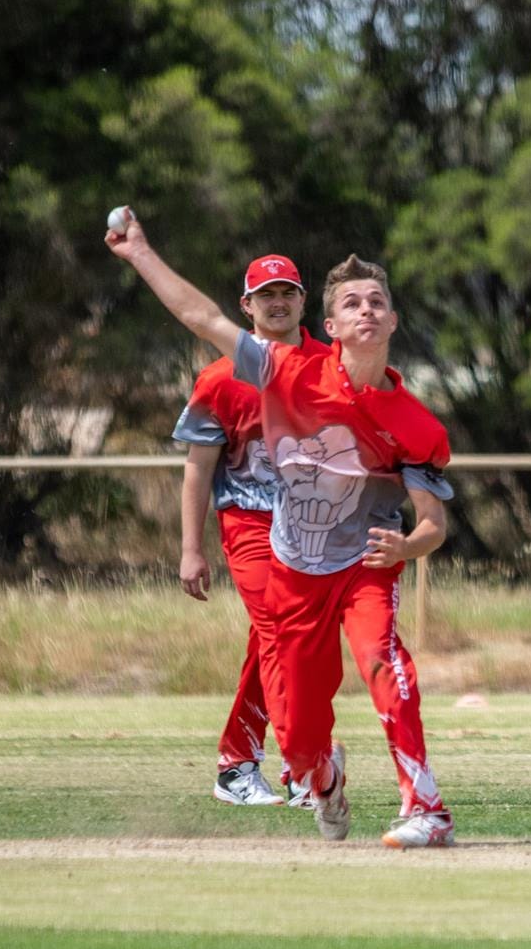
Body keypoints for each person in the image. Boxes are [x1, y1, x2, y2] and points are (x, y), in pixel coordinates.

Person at [108, 214, 457, 849]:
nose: (367, 310)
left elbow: (433, 522)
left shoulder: (417, 424)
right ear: (331, 326)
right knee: (297, 740)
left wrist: (409, 544)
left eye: (379, 302)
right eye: (352, 302)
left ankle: (425, 807)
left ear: (394, 322)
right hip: (296, 569)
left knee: (383, 659)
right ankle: (320, 780)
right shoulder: (284, 370)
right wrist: (140, 253)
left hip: (364, 564)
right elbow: (202, 318)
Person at [173, 254, 331, 807]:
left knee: (283, 640)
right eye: (266, 295)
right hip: (251, 522)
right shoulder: (220, 378)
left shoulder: (330, 366)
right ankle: (304, 768)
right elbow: (198, 467)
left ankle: (235, 765)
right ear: (247, 306)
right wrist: (192, 549)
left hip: (315, 527)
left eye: (287, 291)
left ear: (303, 299)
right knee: (283, 633)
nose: (278, 302)